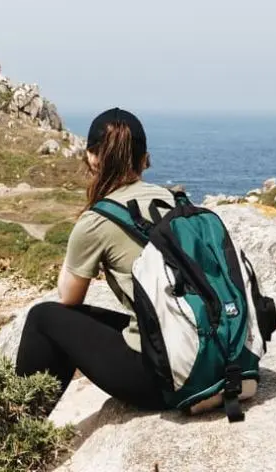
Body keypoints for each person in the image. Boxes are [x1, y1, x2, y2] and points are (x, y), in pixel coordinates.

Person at [14, 108, 174, 411]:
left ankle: (19, 428)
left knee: (43, 318)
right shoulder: (173, 200)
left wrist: (81, 239)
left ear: (92, 158)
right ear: (145, 159)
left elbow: (69, 297)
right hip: (211, 355)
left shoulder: (98, 220)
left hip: (161, 379)